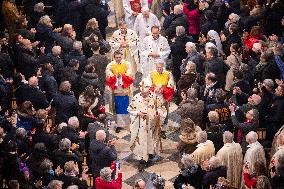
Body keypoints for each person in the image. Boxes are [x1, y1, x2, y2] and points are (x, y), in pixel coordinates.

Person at [128, 78, 167, 170]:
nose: (143, 95)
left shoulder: (154, 97)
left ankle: (149, 154)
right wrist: (138, 113)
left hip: (151, 126)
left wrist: (157, 114)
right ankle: (142, 160)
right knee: (141, 142)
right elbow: (130, 109)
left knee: (150, 141)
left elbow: (162, 109)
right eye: (142, 93)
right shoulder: (137, 97)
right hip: (140, 126)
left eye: (145, 93)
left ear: (149, 91)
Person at [105, 50, 134, 133]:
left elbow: (129, 74)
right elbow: (108, 76)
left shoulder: (127, 64)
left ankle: (127, 123)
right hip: (115, 90)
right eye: (116, 57)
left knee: (126, 106)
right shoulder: (110, 65)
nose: (118, 59)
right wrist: (115, 76)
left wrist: (121, 76)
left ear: (122, 57)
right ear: (114, 57)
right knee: (117, 107)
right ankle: (119, 124)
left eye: (119, 57)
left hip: (125, 89)